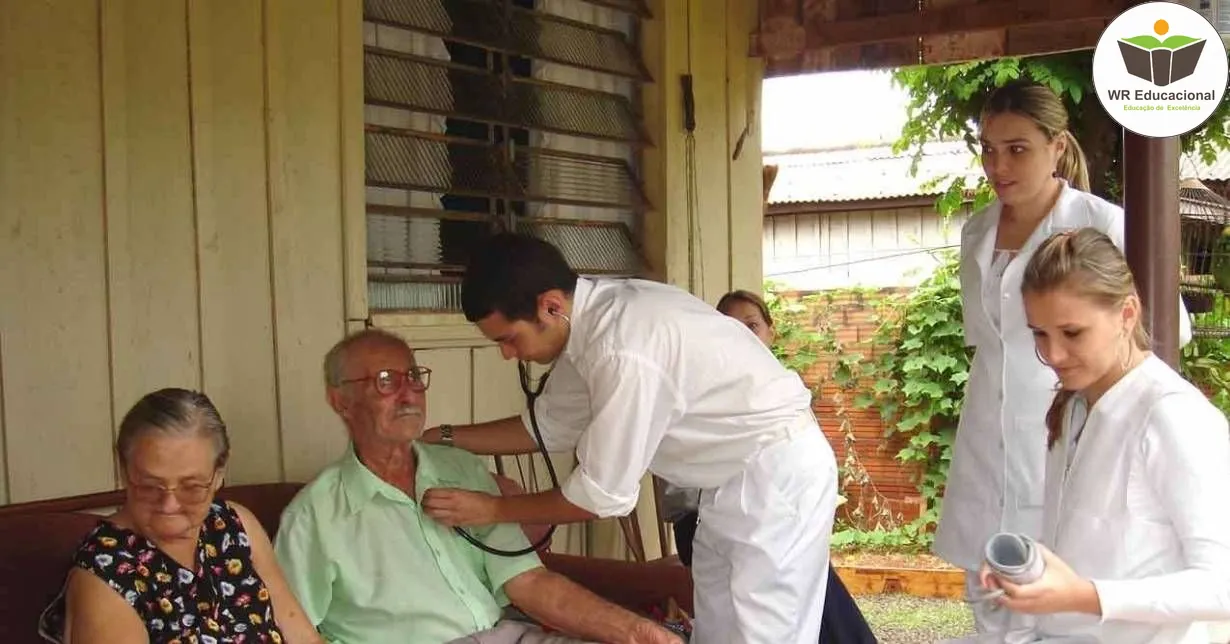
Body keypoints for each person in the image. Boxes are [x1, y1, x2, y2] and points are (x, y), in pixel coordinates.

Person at [417, 234, 839, 644]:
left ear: (549, 306)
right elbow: (547, 425)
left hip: (775, 478)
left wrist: (492, 509)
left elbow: (600, 495)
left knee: (763, 633)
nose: (507, 354)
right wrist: (447, 437)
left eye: (508, 339)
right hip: (730, 480)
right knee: (719, 625)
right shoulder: (587, 325)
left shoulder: (623, 349)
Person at [933, 80, 1192, 637]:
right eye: (988, 149)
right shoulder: (976, 230)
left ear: (1056, 146)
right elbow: (990, 345)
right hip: (985, 442)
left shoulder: (1104, 223)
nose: (998, 165)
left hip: (1063, 431)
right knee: (991, 592)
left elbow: (1173, 328)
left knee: (1054, 599)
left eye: (1017, 148)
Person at [273, 328, 680, 644]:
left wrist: (634, 632)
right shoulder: (316, 516)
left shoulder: (462, 470)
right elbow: (290, 630)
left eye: (413, 377)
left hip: (506, 634)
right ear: (340, 401)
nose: (408, 393)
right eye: (385, 381)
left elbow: (528, 582)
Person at [974, 227, 1230, 643]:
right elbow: (1100, 543)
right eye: (1039, 333)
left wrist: (1086, 596)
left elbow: (1223, 587)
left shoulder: (1173, 415)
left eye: (1072, 333)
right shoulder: (1074, 405)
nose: (1053, 355)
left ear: (1127, 315)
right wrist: (1031, 565)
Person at [38, 388, 322, 644]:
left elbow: (302, 636)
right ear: (124, 471)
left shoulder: (234, 526)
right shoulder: (105, 573)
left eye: (192, 487)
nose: (170, 504)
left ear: (219, 474)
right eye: (150, 486)